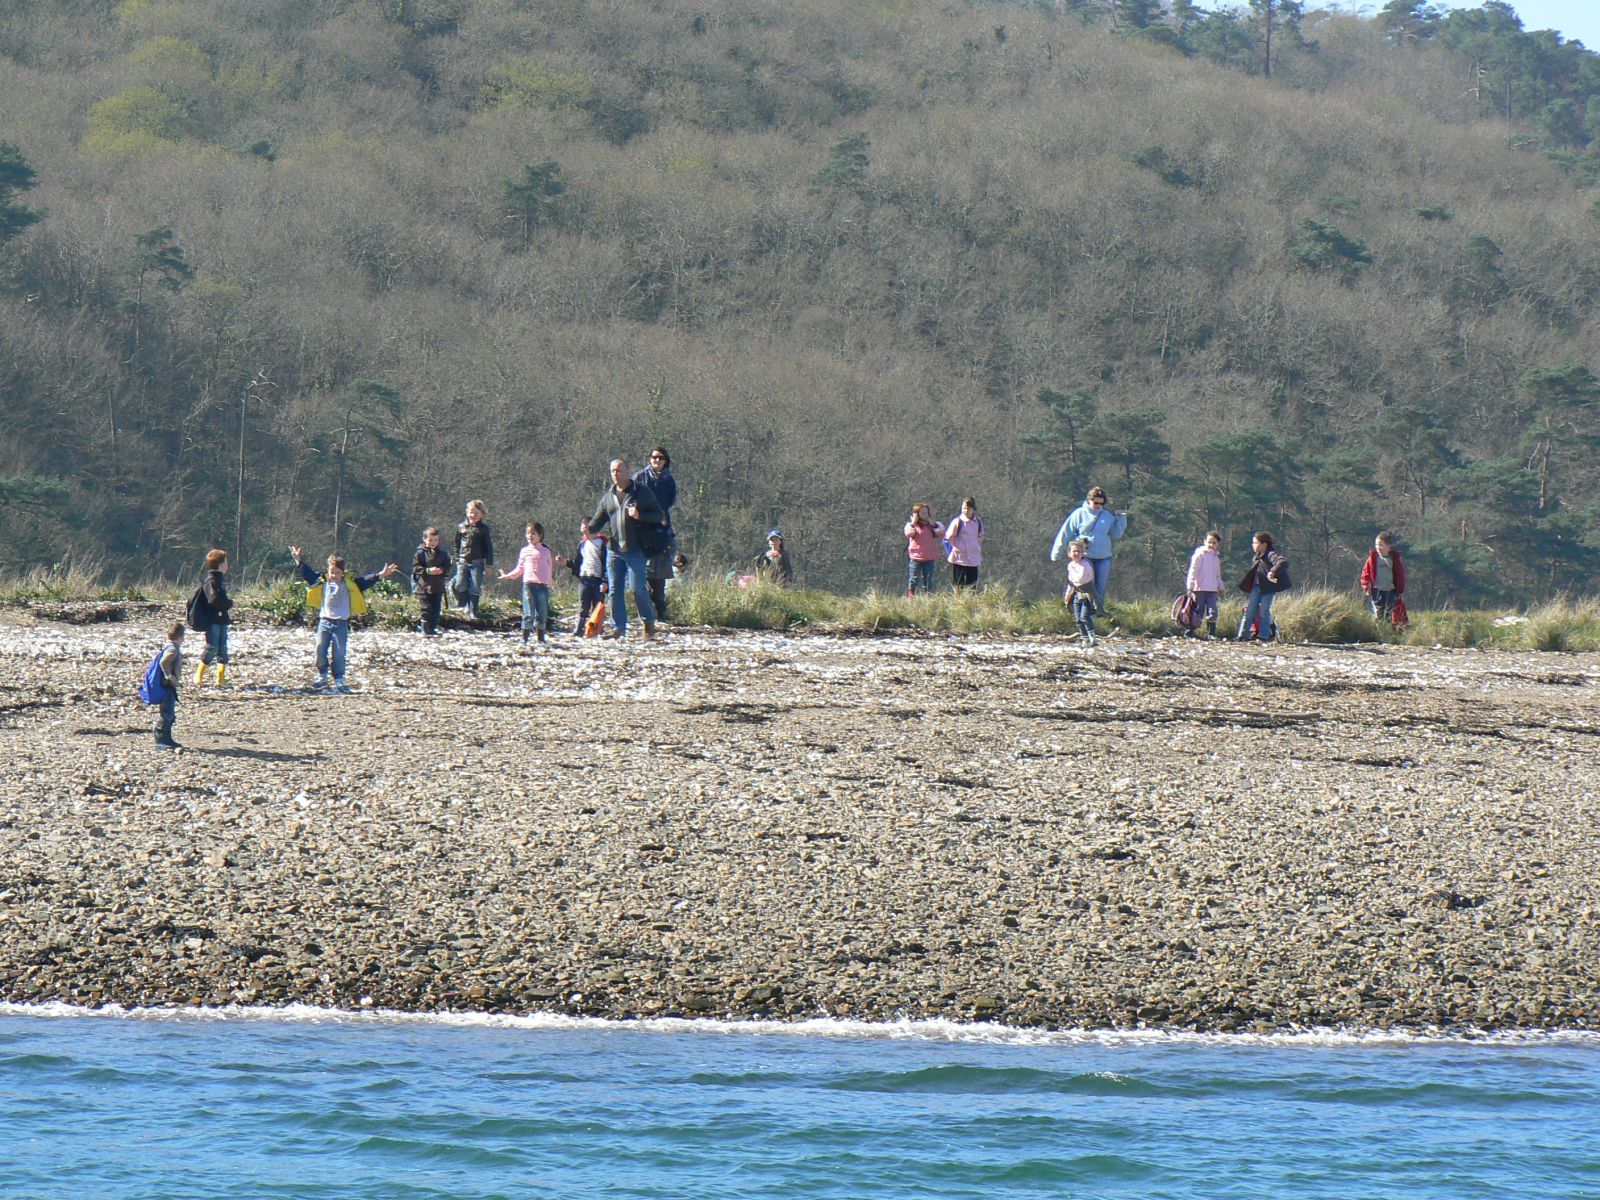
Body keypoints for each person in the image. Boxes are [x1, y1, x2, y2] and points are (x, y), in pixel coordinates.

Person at [291, 546, 401, 691]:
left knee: (339, 653)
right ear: (328, 570)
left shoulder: (350, 584)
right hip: (324, 621)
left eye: (337, 572)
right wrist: (298, 560)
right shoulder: (321, 581)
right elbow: (307, 573)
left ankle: (339, 679)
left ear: (343, 572)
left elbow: (366, 580)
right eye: (332, 572)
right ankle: (322, 676)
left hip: (341, 623)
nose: (334, 575)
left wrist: (381, 574)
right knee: (320, 649)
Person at [588, 457, 665, 640]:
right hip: (615, 550)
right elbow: (598, 520)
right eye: (613, 471)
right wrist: (588, 529)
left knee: (638, 589)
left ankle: (648, 623)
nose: (615, 474)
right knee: (614, 590)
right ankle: (618, 628)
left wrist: (640, 515)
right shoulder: (608, 497)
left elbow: (658, 515)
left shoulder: (641, 492)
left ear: (628, 472)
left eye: (619, 470)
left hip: (636, 550)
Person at [1051, 486, 1127, 608]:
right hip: (1084, 556)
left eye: (1101, 503)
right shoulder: (1079, 514)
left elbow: (1116, 533)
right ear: (1089, 500)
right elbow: (1065, 533)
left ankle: (1097, 612)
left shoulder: (1107, 516)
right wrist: (1056, 553)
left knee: (1100, 587)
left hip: (1103, 557)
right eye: (1095, 503)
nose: (1098, 506)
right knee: (1084, 585)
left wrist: (1121, 518)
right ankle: (1078, 610)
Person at [499, 522, 565, 646]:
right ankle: (524, 638)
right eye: (528, 533)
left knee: (542, 613)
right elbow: (519, 569)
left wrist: (549, 583)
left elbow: (549, 568)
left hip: (542, 587)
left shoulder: (545, 551)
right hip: (528, 585)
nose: (530, 536)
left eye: (533, 533)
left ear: (540, 535)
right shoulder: (524, 551)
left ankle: (541, 638)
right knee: (529, 613)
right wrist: (508, 576)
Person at [634, 446, 677, 622]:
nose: (656, 460)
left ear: (666, 461)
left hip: (661, 530)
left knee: (659, 575)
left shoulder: (669, 480)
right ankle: (644, 613)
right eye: (654, 457)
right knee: (640, 574)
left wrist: (661, 518)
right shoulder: (640, 477)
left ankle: (661, 612)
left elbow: (670, 501)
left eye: (660, 458)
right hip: (642, 528)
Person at [1237, 531, 1290, 643]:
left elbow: (1282, 562)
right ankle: (1243, 635)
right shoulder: (1256, 558)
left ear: (1264, 544)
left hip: (1268, 589)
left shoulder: (1271, 555)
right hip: (1256, 588)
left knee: (1264, 612)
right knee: (1250, 611)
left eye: (1255, 543)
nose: (1253, 545)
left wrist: (1273, 571)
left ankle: (1264, 636)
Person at [564, 518, 609, 635]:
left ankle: (596, 628)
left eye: (587, 529)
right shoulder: (582, 545)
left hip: (598, 580)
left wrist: (605, 581)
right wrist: (567, 563)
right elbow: (578, 564)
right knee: (583, 605)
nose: (585, 532)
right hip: (584, 579)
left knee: (598, 605)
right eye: (583, 529)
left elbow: (607, 564)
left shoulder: (602, 544)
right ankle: (579, 628)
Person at [195, 548, 233, 686]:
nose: (228, 565)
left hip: (221, 620)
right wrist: (228, 604)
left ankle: (220, 679)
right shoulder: (211, 580)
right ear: (221, 564)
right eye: (226, 562)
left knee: (223, 649)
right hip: (213, 620)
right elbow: (213, 600)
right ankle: (198, 676)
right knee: (212, 648)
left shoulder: (219, 579)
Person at [453, 500, 495, 619]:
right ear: (467, 512)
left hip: (477, 562)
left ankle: (473, 610)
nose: (473, 515)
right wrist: (457, 558)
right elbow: (456, 544)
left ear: (482, 514)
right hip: (463, 560)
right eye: (471, 512)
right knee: (460, 584)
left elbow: (488, 548)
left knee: (475, 586)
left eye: (476, 513)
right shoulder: (461, 527)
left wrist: (489, 565)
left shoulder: (484, 529)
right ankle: (463, 604)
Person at [149, 621, 186, 749]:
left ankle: (167, 739)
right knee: (167, 714)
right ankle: (161, 740)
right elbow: (164, 662)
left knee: (169, 714)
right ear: (180, 636)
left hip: (165, 686)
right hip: (167, 686)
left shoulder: (168, 646)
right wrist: (169, 676)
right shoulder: (173, 649)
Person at [411, 526, 451, 636]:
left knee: (436, 609)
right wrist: (428, 571)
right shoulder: (419, 554)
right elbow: (415, 568)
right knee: (426, 609)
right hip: (424, 587)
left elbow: (448, 567)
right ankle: (424, 629)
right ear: (424, 539)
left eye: (435, 540)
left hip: (438, 587)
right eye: (430, 540)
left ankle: (432, 629)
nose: (433, 543)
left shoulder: (443, 554)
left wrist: (442, 570)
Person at [1184, 531, 1224, 639]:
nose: (1211, 545)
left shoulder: (1216, 557)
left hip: (1212, 589)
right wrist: (1190, 585)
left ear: (1218, 544)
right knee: (1198, 611)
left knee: (1213, 611)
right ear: (1205, 541)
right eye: (1209, 542)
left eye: (1214, 543)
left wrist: (1220, 586)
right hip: (1199, 588)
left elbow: (1217, 574)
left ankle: (1211, 633)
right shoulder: (1200, 554)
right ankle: (1189, 632)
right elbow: (1193, 570)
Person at [1359, 531, 1406, 621]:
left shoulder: (1394, 560)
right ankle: (1378, 626)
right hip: (1377, 590)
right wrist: (1366, 587)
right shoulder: (1372, 559)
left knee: (1388, 612)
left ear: (1389, 547)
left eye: (1381, 545)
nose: (1378, 547)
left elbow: (1400, 575)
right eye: (1376, 545)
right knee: (1379, 611)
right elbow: (1365, 574)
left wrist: (1399, 590)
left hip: (1390, 591)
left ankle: (1386, 627)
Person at [903, 503, 944, 596]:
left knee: (928, 579)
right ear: (916, 514)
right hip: (916, 558)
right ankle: (911, 595)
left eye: (926, 511)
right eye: (922, 512)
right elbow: (909, 533)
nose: (925, 513)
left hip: (929, 557)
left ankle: (928, 596)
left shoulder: (932, 525)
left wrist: (934, 525)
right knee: (914, 578)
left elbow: (941, 533)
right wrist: (913, 523)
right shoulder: (912, 526)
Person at [1064, 538, 1098, 648]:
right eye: (1074, 551)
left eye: (1079, 551)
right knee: (1078, 619)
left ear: (1082, 553)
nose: (1076, 553)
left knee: (1084, 616)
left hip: (1087, 593)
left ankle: (1092, 637)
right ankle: (1085, 640)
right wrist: (1067, 595)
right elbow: (1070, 582)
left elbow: (1080, 579)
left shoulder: (1085, 565)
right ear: (1069, 553)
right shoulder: (1070, 565)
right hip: (1076, 593)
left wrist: (1073, 575)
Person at [945, 497, 984, 590]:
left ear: (974, 510)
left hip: (973, 558)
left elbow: (981, 536)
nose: (966, 511)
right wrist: (956, 547)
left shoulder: (978, 522)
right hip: (959, 558)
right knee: (958, 584)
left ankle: (970, 598)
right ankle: (957, 598)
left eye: (968, 509)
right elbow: (949, 536)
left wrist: (975, 546)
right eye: (964, 508)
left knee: (972, 584)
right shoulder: (958, 522)